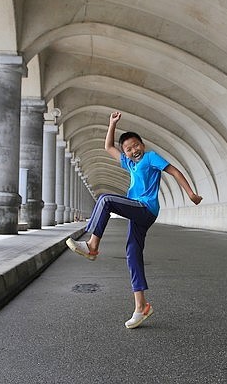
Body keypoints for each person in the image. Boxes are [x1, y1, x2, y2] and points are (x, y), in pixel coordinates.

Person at [67, 111, 203, 329]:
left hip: (145, 207)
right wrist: (111, 124)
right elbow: (108, 147)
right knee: (132, 253)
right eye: (128, 149)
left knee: (105, 199)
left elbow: (174, 171)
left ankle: (92, 246)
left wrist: (191, 194)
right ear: (126, 153)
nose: (133, 150)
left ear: (142, 144)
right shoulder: (129, 164)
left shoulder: (150, 157)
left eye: (135, 145)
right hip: (138, 211)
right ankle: (141, 307)